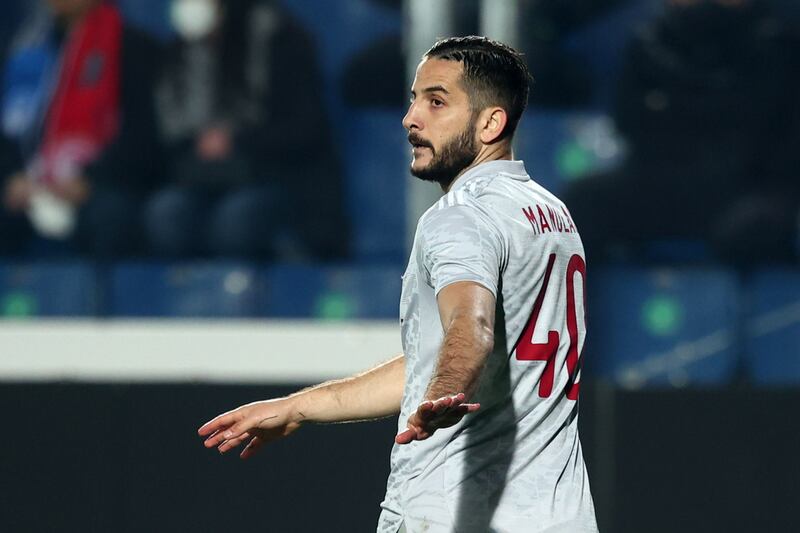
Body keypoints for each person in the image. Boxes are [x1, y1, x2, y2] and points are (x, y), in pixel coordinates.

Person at [199, 36, 598, 533]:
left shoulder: (459, 217)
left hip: (454, 512)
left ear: (491, 123)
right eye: (414, 99)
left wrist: (444, 395)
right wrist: (298, 407)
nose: (411, 119)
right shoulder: (552, 215)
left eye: (436, 101)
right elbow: (441, 356)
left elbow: (470, 329)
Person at [563, 0, 798, 264]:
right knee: (578, 207)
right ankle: (569, 303)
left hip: (749, 187)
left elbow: (777, 143)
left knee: (754, 227)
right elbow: (630, 124)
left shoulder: (779, 46)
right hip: (670, 183)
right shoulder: (650, 45)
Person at [144, 0, 347, 260]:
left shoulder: (279, 37)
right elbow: (164, 131)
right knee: (166, 215)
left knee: (235, 221)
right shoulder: (178, 52)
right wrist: (198, 144)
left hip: (272, 176)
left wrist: (236, 140)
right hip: (198, 177)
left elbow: (306, 129)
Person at [0, 0, 161, 258]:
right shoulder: (25, 48)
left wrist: (88, 180)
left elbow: (142, 138)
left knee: (110, 217)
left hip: (100, 183)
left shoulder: (131, 44)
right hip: (31, 183)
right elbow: (8, 134)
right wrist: (13, 178)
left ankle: (104, 297)